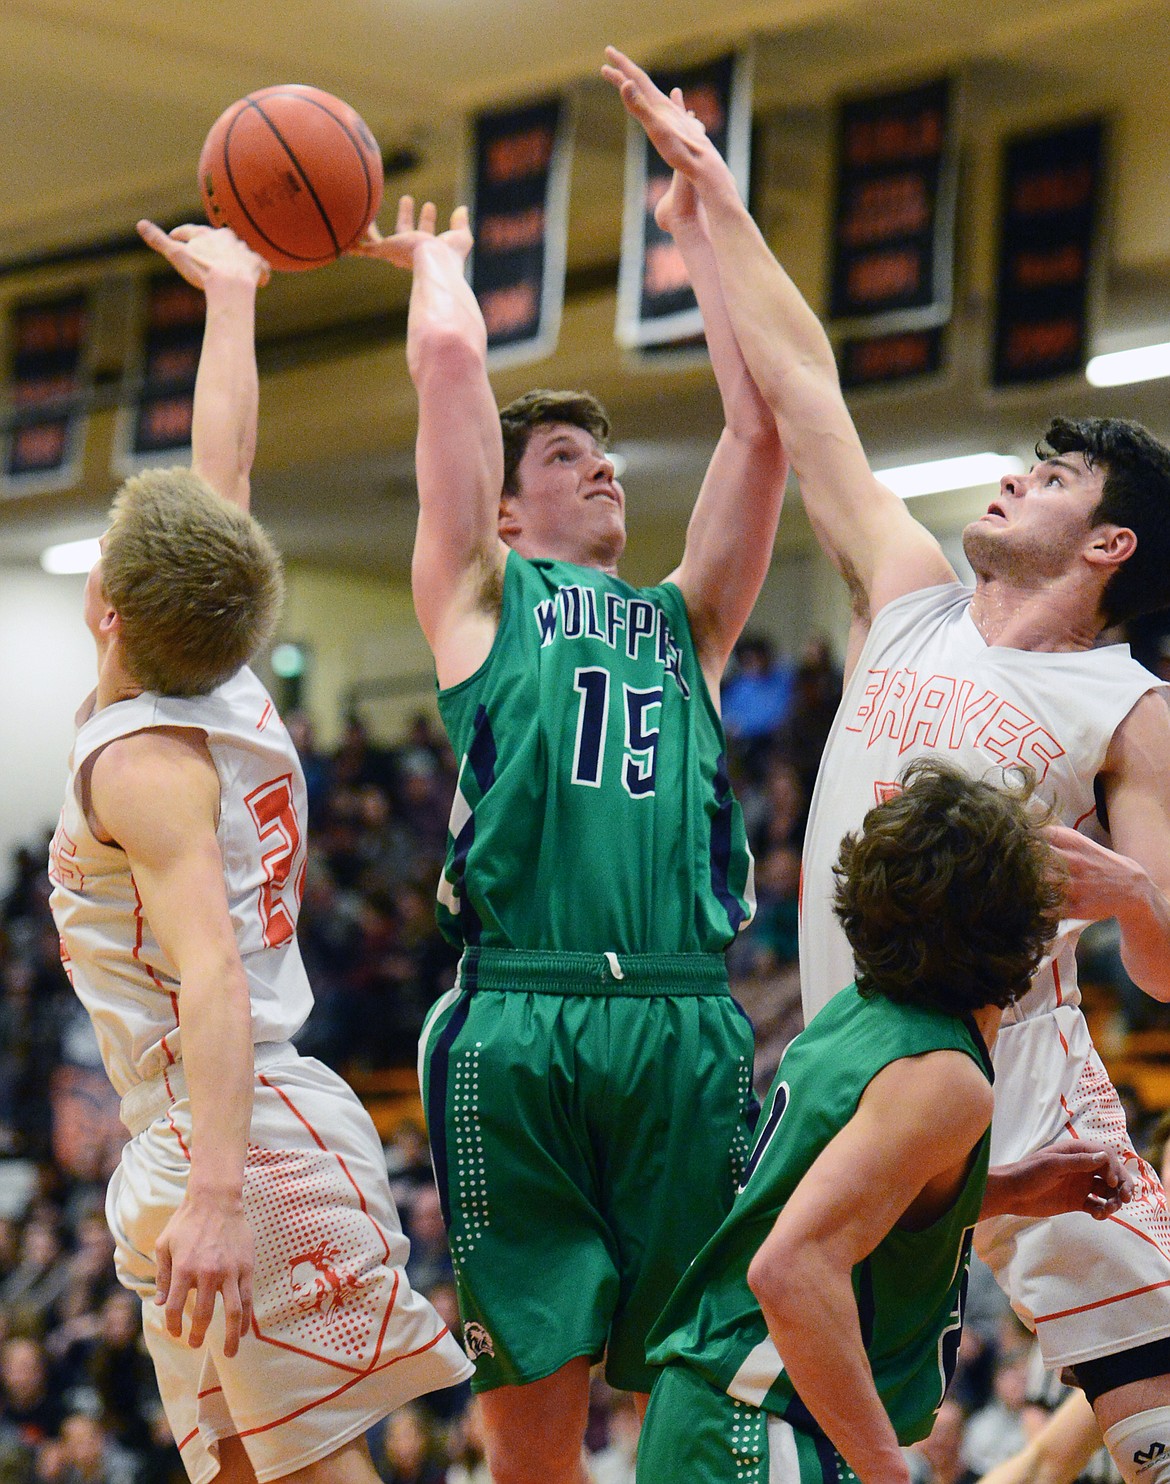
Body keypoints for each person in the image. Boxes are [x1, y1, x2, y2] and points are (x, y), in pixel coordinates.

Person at [604, 48, 1170, 1484]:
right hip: (860, 1065)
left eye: (1050, 481)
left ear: (1109, 548)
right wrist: (718, 200)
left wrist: (1126, 891)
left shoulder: (1126, 699)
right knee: (805, 1387)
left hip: (1018, 1076)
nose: (1008, 478)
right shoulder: (909, 589)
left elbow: (1163, 971)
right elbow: (804, 388)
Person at [352, 172, 789, 1484]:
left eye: (602, 457)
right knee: (531, 1420)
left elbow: (758, 430)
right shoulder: (479, 597)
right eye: (561, 457)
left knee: (698, 1395)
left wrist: (703, 240)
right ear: (501, 505)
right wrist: (435, 262)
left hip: (678, 1016)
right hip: (519, 1014)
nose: (599, 467)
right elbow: (444, 356)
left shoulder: (687, 620)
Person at [47, 221, 471, 1484]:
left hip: (238, 1130)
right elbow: (220, 468)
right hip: (216, 1124)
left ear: (104, 608)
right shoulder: (215, 661)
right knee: (238, 1472)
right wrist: (232, 296)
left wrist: (222, 1194)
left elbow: (216, 974)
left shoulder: (141, 762)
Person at [631, 760, 1132, 1484]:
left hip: (719, 1419)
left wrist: (1016, 1188)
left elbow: (856, 1208)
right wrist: (886, 1473)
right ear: (1018, 922)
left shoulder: (860, 1015)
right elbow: (791, 1267)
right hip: (761, 1422)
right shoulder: (945, 1078)